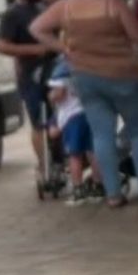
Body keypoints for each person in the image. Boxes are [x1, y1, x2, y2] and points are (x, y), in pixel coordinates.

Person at [30, 0, 138, 208]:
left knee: (102, 135)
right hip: (126, 75)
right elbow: (137, 36)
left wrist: (64, 48)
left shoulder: (66, 7)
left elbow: (36, 28)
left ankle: (113, 193)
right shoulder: (113, 3)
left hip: (87, 78)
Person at [0, 0, 55, 177]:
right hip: (31, 75)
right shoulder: (12, 14)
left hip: (53, 71)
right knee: (39, 122)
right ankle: (44, 165)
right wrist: (34, 50)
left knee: (59, 118)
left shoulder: (43, 7)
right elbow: (2, 46)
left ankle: (59, 160)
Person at [45, 59, 99, 203]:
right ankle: (99, 184)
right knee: (92, 151)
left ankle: (78, 188)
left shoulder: (62, 69)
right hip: (87, 112)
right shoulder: (85, 64)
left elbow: (60, 92)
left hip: (71, 117)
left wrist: (51, 97)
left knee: (74, 155)